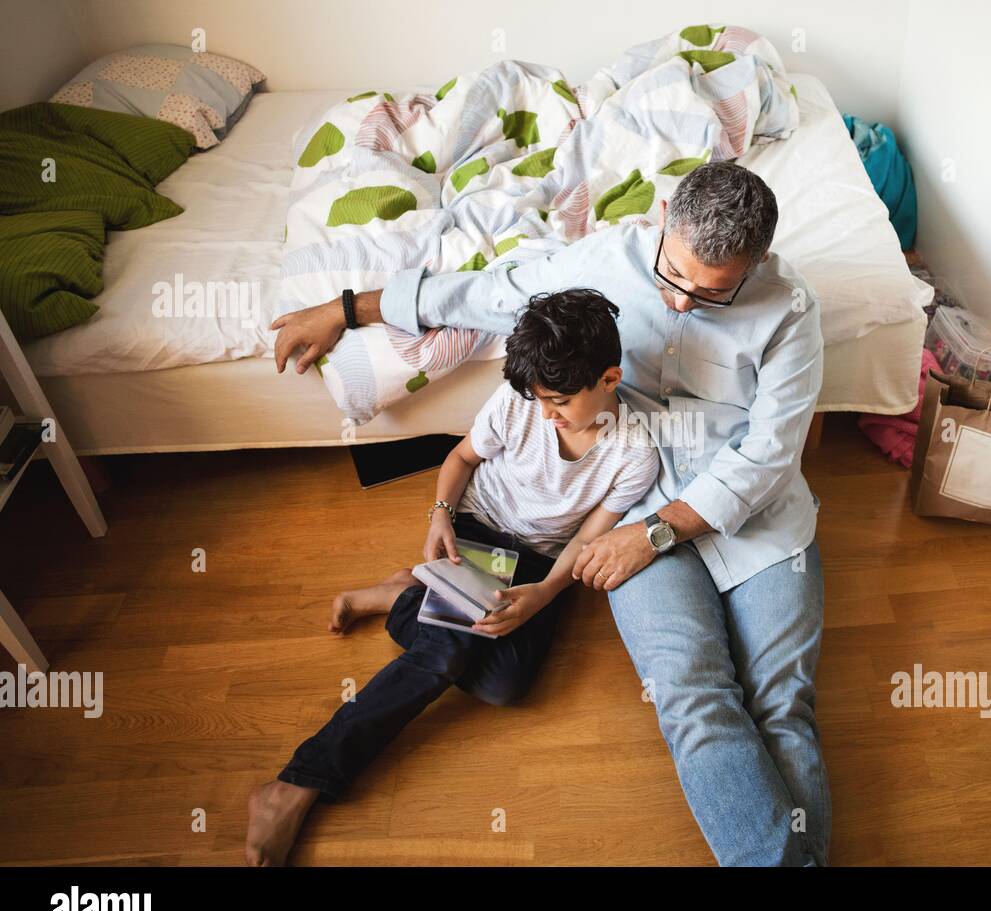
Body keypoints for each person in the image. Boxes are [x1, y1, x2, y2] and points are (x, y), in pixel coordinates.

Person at [272, 161, 829, 866]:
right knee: (692, 694)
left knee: (785, 707)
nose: (684, 303)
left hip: (753, 525)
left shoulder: (792, 311)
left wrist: (655, 534)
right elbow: (483, 293)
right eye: (674, 278)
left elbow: (770, 456)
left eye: (713, 294)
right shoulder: (606, 264)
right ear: (661, 216)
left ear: (758, 263)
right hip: (635, 513)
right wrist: (347, 309)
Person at [246, 289, 659, 866]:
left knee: (504, 686)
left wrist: (542, 595)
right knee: (444, 656)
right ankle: (297, 782)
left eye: (561, 401)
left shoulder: (634, 453)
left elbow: (588, 538)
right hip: (480, 529)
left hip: (541, 563)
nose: (547, 413)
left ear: (610, 378)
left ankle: (406, 593)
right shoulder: (518, 402)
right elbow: (462, 460)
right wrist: (439, 515)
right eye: (539, 400)